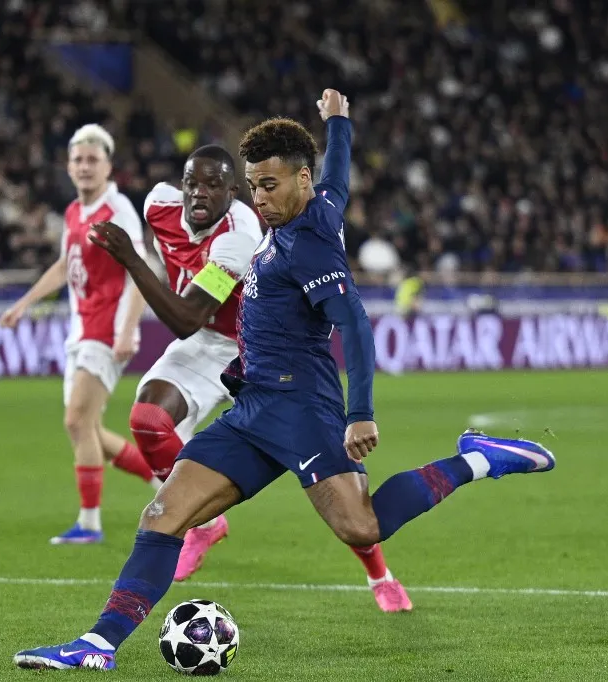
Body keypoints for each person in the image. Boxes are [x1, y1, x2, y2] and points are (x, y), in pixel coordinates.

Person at [13, 90, 555, 671]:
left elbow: (356, 325)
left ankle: (477, 459)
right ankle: (98, 645)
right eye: (254, 186)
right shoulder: (318, 202)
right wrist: (340, 123)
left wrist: (360, 412)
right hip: (253, 407)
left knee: (360, 526)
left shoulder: (311, 246)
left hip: (304, 409)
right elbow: (339, 175)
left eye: (269, 186)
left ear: (300, 179)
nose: (259, 199)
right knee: (162, 514)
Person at [87, 144, 414, 611]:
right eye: (192, 184)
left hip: (262, 350)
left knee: (332, 482)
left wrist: (131, 258)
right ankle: (201, 524)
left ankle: (378, 573)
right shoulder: (158, 204)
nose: (199, 194)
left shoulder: (239, 235)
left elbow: (183, 316)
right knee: (148, 417)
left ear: (232, 191)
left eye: (213, 186)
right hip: (207, 342)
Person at [0, 123, 156, 545]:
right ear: (68, 166)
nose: (85, 167)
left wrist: (127, 331)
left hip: (106, 330)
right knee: (84, 429)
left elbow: (141, 272)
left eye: (93, 159)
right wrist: (24, 304)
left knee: (76, 420)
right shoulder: (73, 212)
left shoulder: (117, 211)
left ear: (109, 166)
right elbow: (63, 267)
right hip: (80, 329)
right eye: (78, 160)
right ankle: (162, 482)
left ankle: (89, 524)